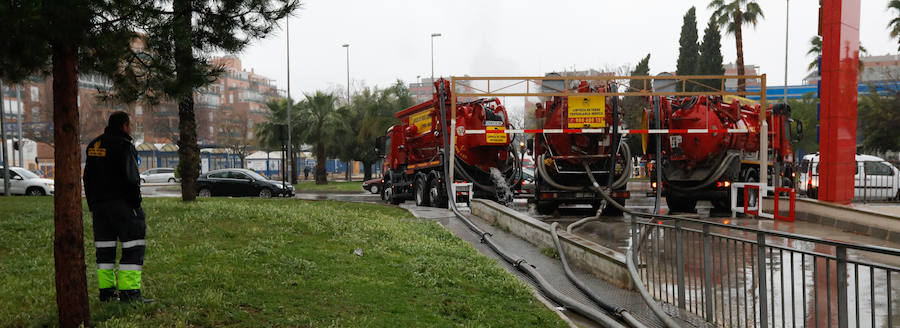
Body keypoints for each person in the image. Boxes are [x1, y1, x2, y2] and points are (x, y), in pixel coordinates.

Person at [83, 111, 152, 303]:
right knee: (133, 247)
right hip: (122, 205)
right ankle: (130, 294)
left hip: (99, 208)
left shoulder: (94, 145)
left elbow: (87, 177)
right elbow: (131, 177)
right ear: (124, 125)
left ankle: (107, 293)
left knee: (104, 250)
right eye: (129, 125)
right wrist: (135, 205)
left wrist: (93, 204)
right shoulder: (123, 145)